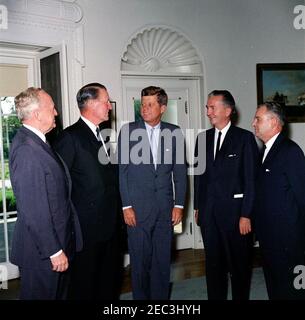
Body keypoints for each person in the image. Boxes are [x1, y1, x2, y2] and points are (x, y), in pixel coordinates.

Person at [9, 87, 82, 300]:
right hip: (42, 253)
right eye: (52, 108)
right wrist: (54, 251)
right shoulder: (27, 150)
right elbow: (34, 209)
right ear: (38, 114)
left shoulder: (37, 142)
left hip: (52, 247)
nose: (56, 112)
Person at [53, 83, 122, 300]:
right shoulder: (69, 138)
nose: (109, 107)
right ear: (91, 104)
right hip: (86, 233)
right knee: (85, 287)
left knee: (109, 284)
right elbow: (58, 189)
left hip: (110, 228)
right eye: (106, 101)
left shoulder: (103, 135)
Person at [118, 86, 187, 300]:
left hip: (165, 210)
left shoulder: (174, 132)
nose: (144, 109)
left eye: (150, 104)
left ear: (163, 107)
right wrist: (126, 206)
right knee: (140, 265)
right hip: (137, 211)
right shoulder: (128, 131)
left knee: (161, 263)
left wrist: (179, 205)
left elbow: (180, 173)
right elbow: (122, 172)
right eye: (142, 104)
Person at [194, 90, 259, 300]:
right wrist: (197, 207)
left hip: (236, 217)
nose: (208, 112)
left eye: (212, 107)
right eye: (207, 107)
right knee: (213, 268)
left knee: (239, 268)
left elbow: (251, 180)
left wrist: (246, 214)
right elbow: (199, 177)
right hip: (209, 216)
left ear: (228, 110)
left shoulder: (244, 139)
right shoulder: (202, 139)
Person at [252, 102, 305, 300]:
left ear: (273, 122)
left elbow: (302, 197)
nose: (253, 123)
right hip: (269, 237)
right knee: (274, 287)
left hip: (289, 240)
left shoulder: (290, 152)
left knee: (293, 290)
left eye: (258, 118)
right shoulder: (263, 151)